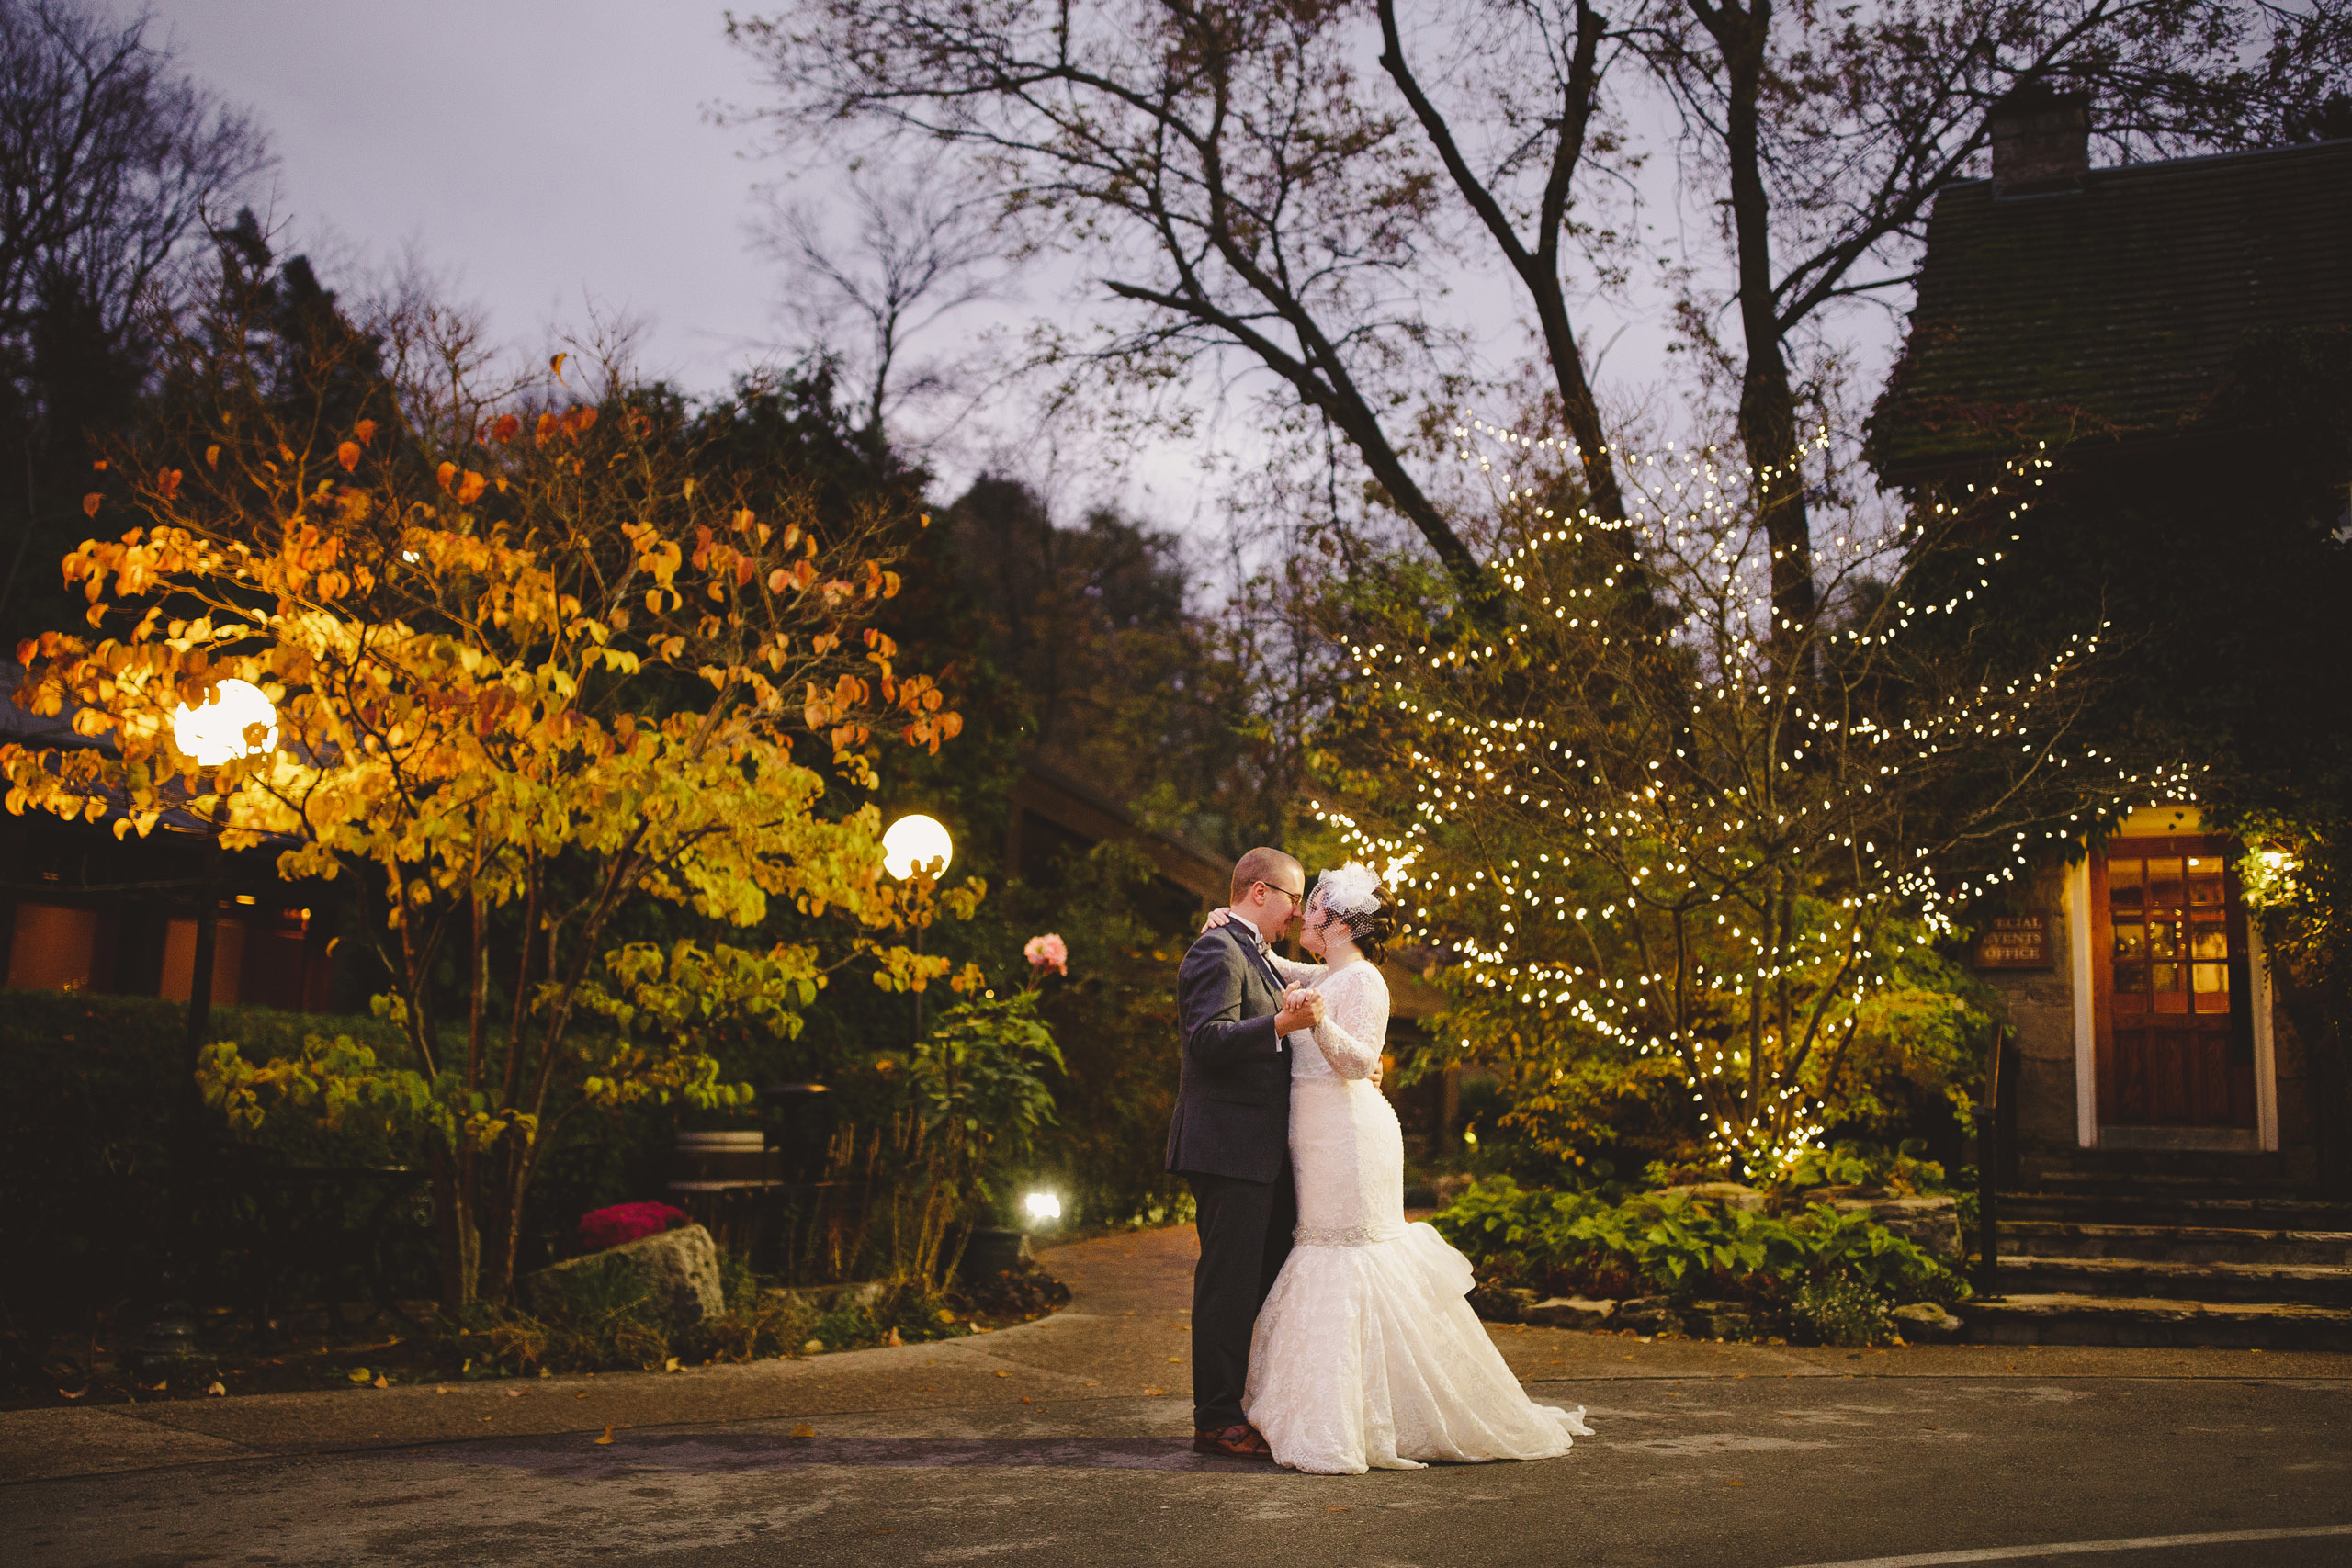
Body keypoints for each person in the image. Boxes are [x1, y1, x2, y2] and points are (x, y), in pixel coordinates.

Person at [1208, 863, 1592, 1474]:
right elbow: (1277, 970)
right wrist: (1231, 925)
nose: (1302, 917)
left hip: (1353, 1136)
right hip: (1314, 1137)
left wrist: (1319, 1021)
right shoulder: (1329, 973)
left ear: (1336, 922)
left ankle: (1373, 1411)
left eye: (1312, 910)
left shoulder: (1365, 982)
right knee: (1321, 1246)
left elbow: (1361, 1062)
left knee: (1350, 1250)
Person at [1167, 846, 1328, 1460]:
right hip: (1227, 1146)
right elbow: (1206, 1040)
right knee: (1227, 1286)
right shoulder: (1217, 949)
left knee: (1256, 1283)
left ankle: (1242, 1405)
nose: (1294, 911)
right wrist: (1281, 1028)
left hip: (1255, 1150)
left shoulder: (1252, 952)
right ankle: (1215, 1418)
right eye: (1291, 897)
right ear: (1260, 892)